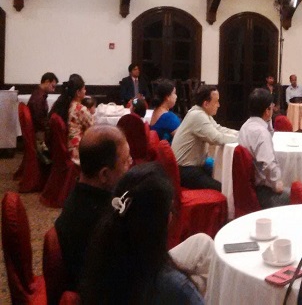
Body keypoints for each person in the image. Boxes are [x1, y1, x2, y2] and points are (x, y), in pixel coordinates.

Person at [80, 163, 213, 304]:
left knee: (202, 243)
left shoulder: (102, 252)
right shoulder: (175, 286)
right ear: (162, 222)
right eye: (170, 209)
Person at [54, 125, 133, 290]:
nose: (131, 163)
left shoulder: (82, 195)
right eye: (125, 161)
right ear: (104, 174)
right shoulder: (99, 224)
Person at [172, 85, 238, 191]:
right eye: (216, 102)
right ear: (206, 104)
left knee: (221, 174)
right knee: (222, 188)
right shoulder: (198, 116)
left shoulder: (202, 113)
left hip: (191, 166)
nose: (219, 105)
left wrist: (240, 134)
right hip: (186, 170)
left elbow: (219, 129)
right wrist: (241, 139)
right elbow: (216, 138)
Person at [238, 88, 291, 208]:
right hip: (263, 191)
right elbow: (268, 165)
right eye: (271, 107)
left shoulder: (245, 127)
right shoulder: (261, 133)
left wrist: (268, 119)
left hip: (249, 188)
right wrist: (276, 183)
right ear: (267, 110)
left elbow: (270, 134)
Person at [51, 74, 94, 165]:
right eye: (84, 89)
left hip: (70, 146)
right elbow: (93, 130)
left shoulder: (68, 104)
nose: (85, 91)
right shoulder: (80, 109)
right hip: (78, 150)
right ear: (78, 92)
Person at [27, 72, 58, 144]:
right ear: (47, 82)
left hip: (36, 130)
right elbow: (40, 121)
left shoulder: (37, 93)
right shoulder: (39, 98)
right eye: (53, 86)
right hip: (39, 133)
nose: (53, 90)